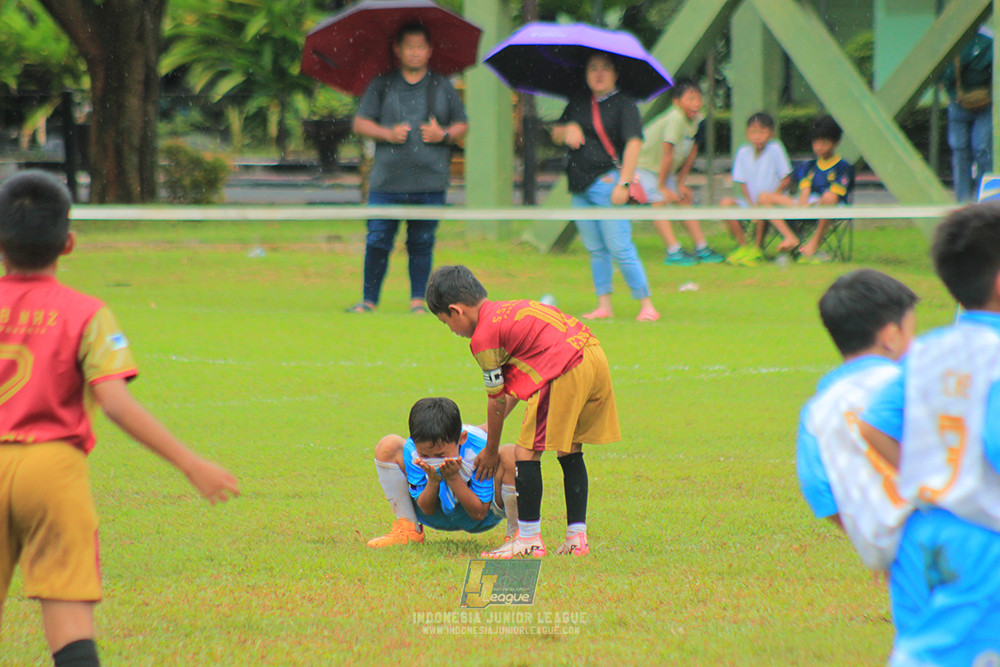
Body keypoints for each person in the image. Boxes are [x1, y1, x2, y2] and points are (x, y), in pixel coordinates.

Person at [0, 171, 240, 667]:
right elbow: (116, 403)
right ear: (68, 243)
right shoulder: (86, 313)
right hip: (53, 469)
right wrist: (190, 463)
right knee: (68, 623)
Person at [860, 203, 1000, 664]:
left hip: (920, 535)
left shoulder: (928, 350)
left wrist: (935, 473)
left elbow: (874, 422)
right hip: (983, 544)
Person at [425, 265, 620, 558]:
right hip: (592, 354)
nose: (452, 331)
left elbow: (497, 399)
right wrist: (488, 430)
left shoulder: (483, 338)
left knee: (526, 453)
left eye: (446, 323)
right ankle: (576, 537)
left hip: (564, 366)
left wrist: (491, 450)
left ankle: (528, 538)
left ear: (456, 310)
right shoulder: (509, 309)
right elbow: (513, 385)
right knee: (569, 449)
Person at [797, 269, 917, 576]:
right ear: (891, 336)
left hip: (890, 552)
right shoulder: (915, 382)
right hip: (958, 533)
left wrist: (872, 537)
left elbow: (820, 491)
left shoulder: (816, 411)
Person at [348, 22, 468, 315]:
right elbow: (360, 122)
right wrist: (387, 134)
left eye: (420, 47)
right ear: (398, 50)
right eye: (409, 46)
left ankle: (418, 302)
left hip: (430, 180)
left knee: (422, 242)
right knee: (377, 240)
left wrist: (444, 136)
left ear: (429, 51)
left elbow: (462, 124)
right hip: (386, 181)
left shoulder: (443, 85)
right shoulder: (382, 83)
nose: (415, 53)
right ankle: (369, 300)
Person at [551, 50, 659, 322]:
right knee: (596, 249)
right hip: (579, 187)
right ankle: (604, 305)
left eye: (605, 68)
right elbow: (556, 133)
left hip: (607, 183)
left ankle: (646, 304)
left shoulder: (624, 104)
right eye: (593, 68)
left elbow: (634, 143)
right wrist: (568, 130)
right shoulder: (578, 102)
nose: (598, 73)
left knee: (619, 246)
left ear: (615, 73)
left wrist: (623, 182)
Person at [367, 396, 518, 548]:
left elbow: (479, 514)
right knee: (388, 445)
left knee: (510, 453)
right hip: (434, 514)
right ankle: (408, 529)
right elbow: (427, 509)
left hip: (481, 515)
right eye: (425, 455)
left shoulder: (478, 449)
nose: (433, 461)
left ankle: (516, 536)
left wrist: (453, 478)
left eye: (441, 455)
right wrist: (433, 481)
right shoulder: (412, 450)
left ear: (461, 439)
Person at [635, 78, 724, 266]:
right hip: (642, 167)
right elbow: (668, 154)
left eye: (698, 98)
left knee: (684, 196)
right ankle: (673, 251)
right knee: (658, 200)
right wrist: (662, 187)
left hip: (662, 171)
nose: (696, 104)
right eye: (690, 99)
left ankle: (701, 248)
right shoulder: (675, 118)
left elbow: (692, 152)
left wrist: (679, 183)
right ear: (677, 102)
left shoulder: (698, 119)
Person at [759, 115, 853, 262]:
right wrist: (803, 204)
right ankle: (790, 238)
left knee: (829, 197)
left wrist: (812, 205)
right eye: (816, 143)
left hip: (830, 207)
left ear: (835, 143)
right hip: (806, 205)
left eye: (824, 143)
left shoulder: (843, 167)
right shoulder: (809, 166)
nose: (819, 147)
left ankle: (814, 242)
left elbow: (835, 195)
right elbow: (804, 190)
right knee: (764, 197)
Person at [719, 112, 796, 266]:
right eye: (754, 132)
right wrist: (752, 205)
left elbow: (786, 178)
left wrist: (771, 198)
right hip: (752, 202)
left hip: (773, 202)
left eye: (763, 132)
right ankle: (743, 247)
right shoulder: (743, 152)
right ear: (747, 134)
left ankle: (757, 248)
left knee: (763, 200)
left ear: (771, 133)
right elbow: (742, 183)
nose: (758, 136)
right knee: (726, 203)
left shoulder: (775, 148)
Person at [940, 26, 994, 202]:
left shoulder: (987, 41)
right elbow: (944, 75)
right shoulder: (951, 41)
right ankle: (963, 201)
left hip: (985, 104)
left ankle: (984, 197)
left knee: (982, 148)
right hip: (958, 104)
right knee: (960, 149)